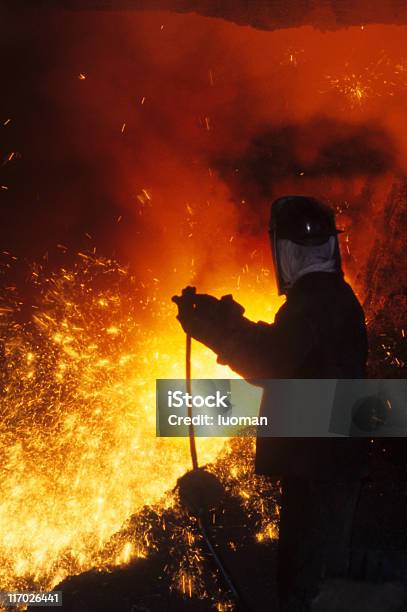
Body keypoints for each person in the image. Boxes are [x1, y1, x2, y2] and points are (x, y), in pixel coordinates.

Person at [173, 195, 369, 611]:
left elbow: (270, 361)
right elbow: (294, 354)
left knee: (308, 590)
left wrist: (215, 329)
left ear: (282, 251)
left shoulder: (314, 301)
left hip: (320, 470)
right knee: (323, 582)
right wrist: (229, 323)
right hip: (330, 463)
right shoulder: (331, 298)